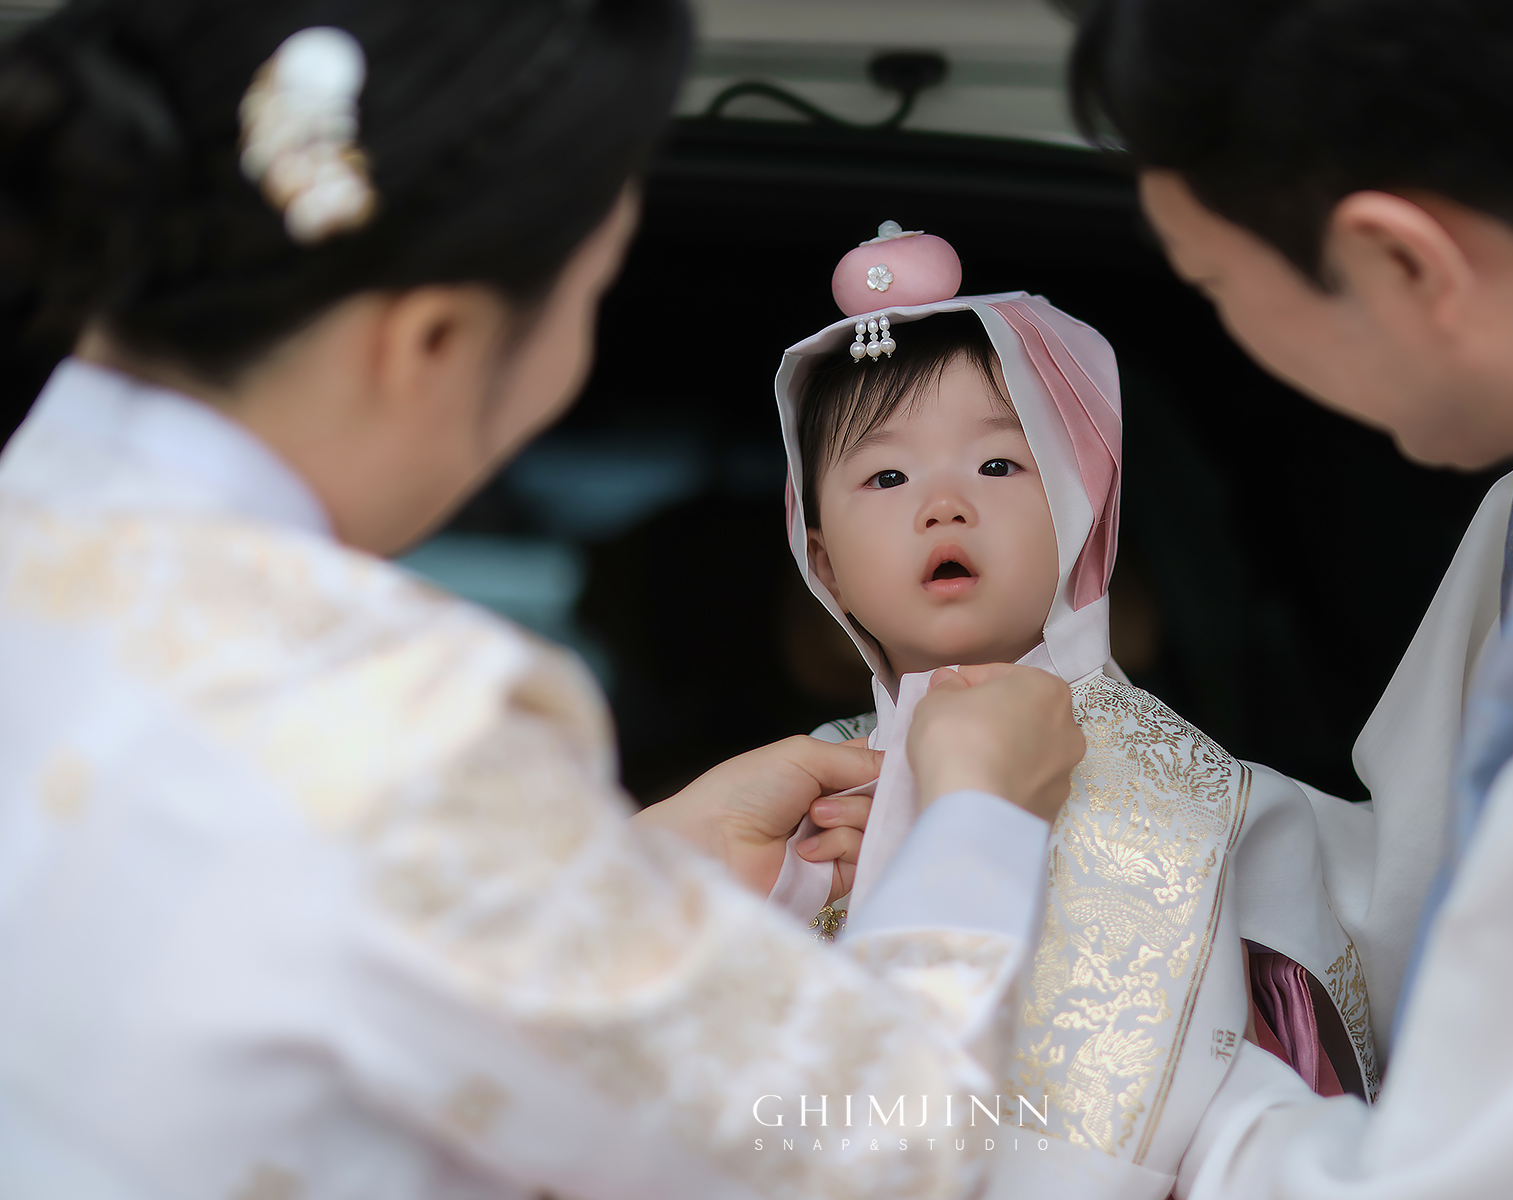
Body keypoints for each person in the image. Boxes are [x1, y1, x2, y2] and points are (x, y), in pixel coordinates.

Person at [0, 3, 1088, 1197]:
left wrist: (635, 868)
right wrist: (979, 818)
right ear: (430, 340)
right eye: (589, 300)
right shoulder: (399, 719)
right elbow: (878, 1141)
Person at [1065, 0, 1513, 1196]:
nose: (1233, 332)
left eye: (1211, 283)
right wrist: (1110, 816)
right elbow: (1425, 882)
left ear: (1404, 259)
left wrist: (1136, 1051)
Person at [766, 227, 1379, 1198]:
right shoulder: (806, 803)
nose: (943, 505)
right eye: (886, 477)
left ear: (1081, 508)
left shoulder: (1198, 797)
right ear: (824, 563)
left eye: (998, 467)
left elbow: (1252, 1079)